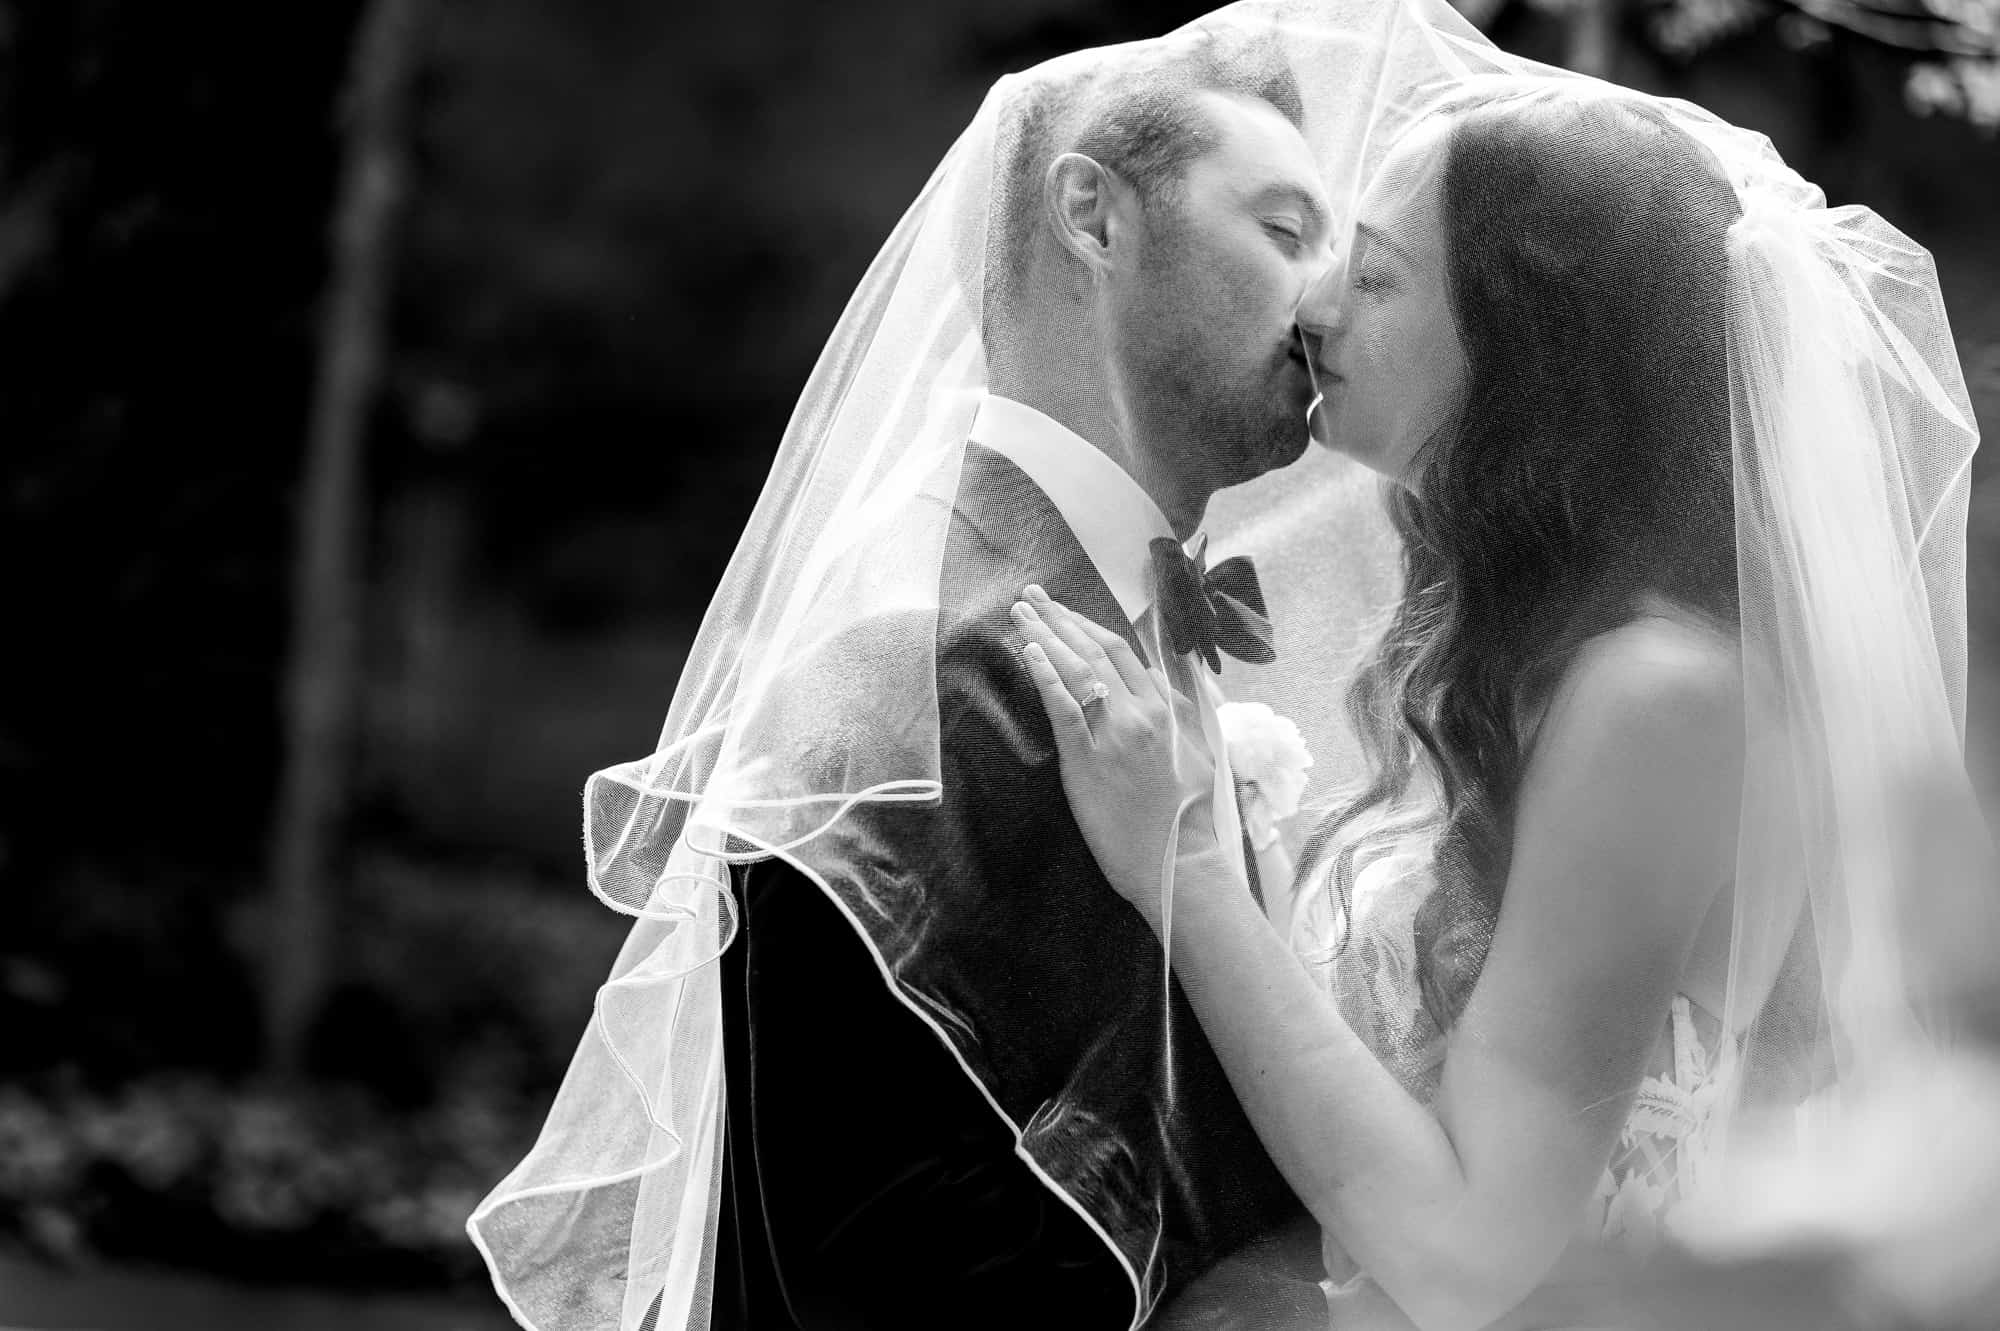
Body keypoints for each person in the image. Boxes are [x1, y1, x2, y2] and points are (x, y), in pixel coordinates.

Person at [465, 6, 1486, 1328]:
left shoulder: (1126, 645)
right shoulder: (910, 674)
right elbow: (857, 1261)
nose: (1324, 302)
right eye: (1284, 232)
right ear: (1095, 217)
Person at [1014, 74, 1984, 1331]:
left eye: (1372, 277)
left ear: (1530, 335)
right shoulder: (1559, 656)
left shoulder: (1659, 697)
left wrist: (1182, 858)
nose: (1310, 307)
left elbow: (1470, 1259)